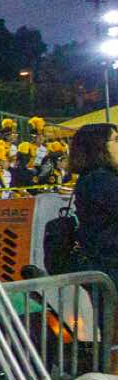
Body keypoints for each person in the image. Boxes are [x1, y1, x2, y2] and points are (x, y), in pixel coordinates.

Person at [66, 124, 118, 295]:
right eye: (116, 140)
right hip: (109, 266)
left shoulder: (95, 178)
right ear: (98, 146)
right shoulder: (100, 180)